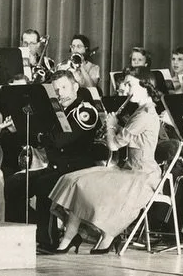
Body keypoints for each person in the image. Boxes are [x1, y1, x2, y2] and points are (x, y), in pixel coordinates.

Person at [49, 72, 163, 253]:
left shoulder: (146, 114)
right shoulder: (140, 111)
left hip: (142, 175)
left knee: (83, 184)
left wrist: (110, 125)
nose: (126, 89)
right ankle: (72, 237)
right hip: (129, 170)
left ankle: (98, 235)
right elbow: (129, 136)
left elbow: (114, 145)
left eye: (130, 85)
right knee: (74, 180)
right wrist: (115, 126)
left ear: (145, 87)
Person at [3, 69, 107, 243]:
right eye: (56, 90)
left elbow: (60, 141)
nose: (60, 94)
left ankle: (48, 240)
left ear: (75, 87)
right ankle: (24, 234)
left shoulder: (85, 111)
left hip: (77, 169)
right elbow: (38, 141)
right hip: (57, 168)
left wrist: (39, 134)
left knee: (44, 186)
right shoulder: (54, 112)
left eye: (64, 88)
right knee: (14, 184)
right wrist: (18, 129)